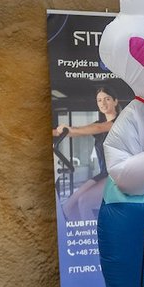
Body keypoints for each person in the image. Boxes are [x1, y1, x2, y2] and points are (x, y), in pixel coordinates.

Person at [52, 86, 120, 220]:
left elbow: (98, 128)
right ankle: (78, 230)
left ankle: (92, 231)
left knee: (84, 202)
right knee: (68, 206)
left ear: (115, 101)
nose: (103, 103)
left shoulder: (119, 122)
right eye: (99, 100)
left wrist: (71, 128)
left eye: (107, 99)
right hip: (104, 173)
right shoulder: (99, 124)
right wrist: (54, 132)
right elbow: (75, 132)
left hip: (117, 174)